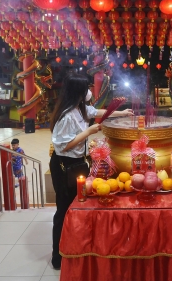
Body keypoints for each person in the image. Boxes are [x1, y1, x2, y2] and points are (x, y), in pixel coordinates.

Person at [49, 73, 133, 270]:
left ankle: (76, 247)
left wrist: (122, 112)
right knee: (63, 209)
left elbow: (97, 111)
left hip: (77, 163)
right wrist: (88, 132)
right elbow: (64, 146)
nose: (89, 91)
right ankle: (57, 256)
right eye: (86, 88)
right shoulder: (66, 115)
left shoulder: (79, 109)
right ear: (78, 92)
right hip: (64, 165)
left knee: (78, 206)